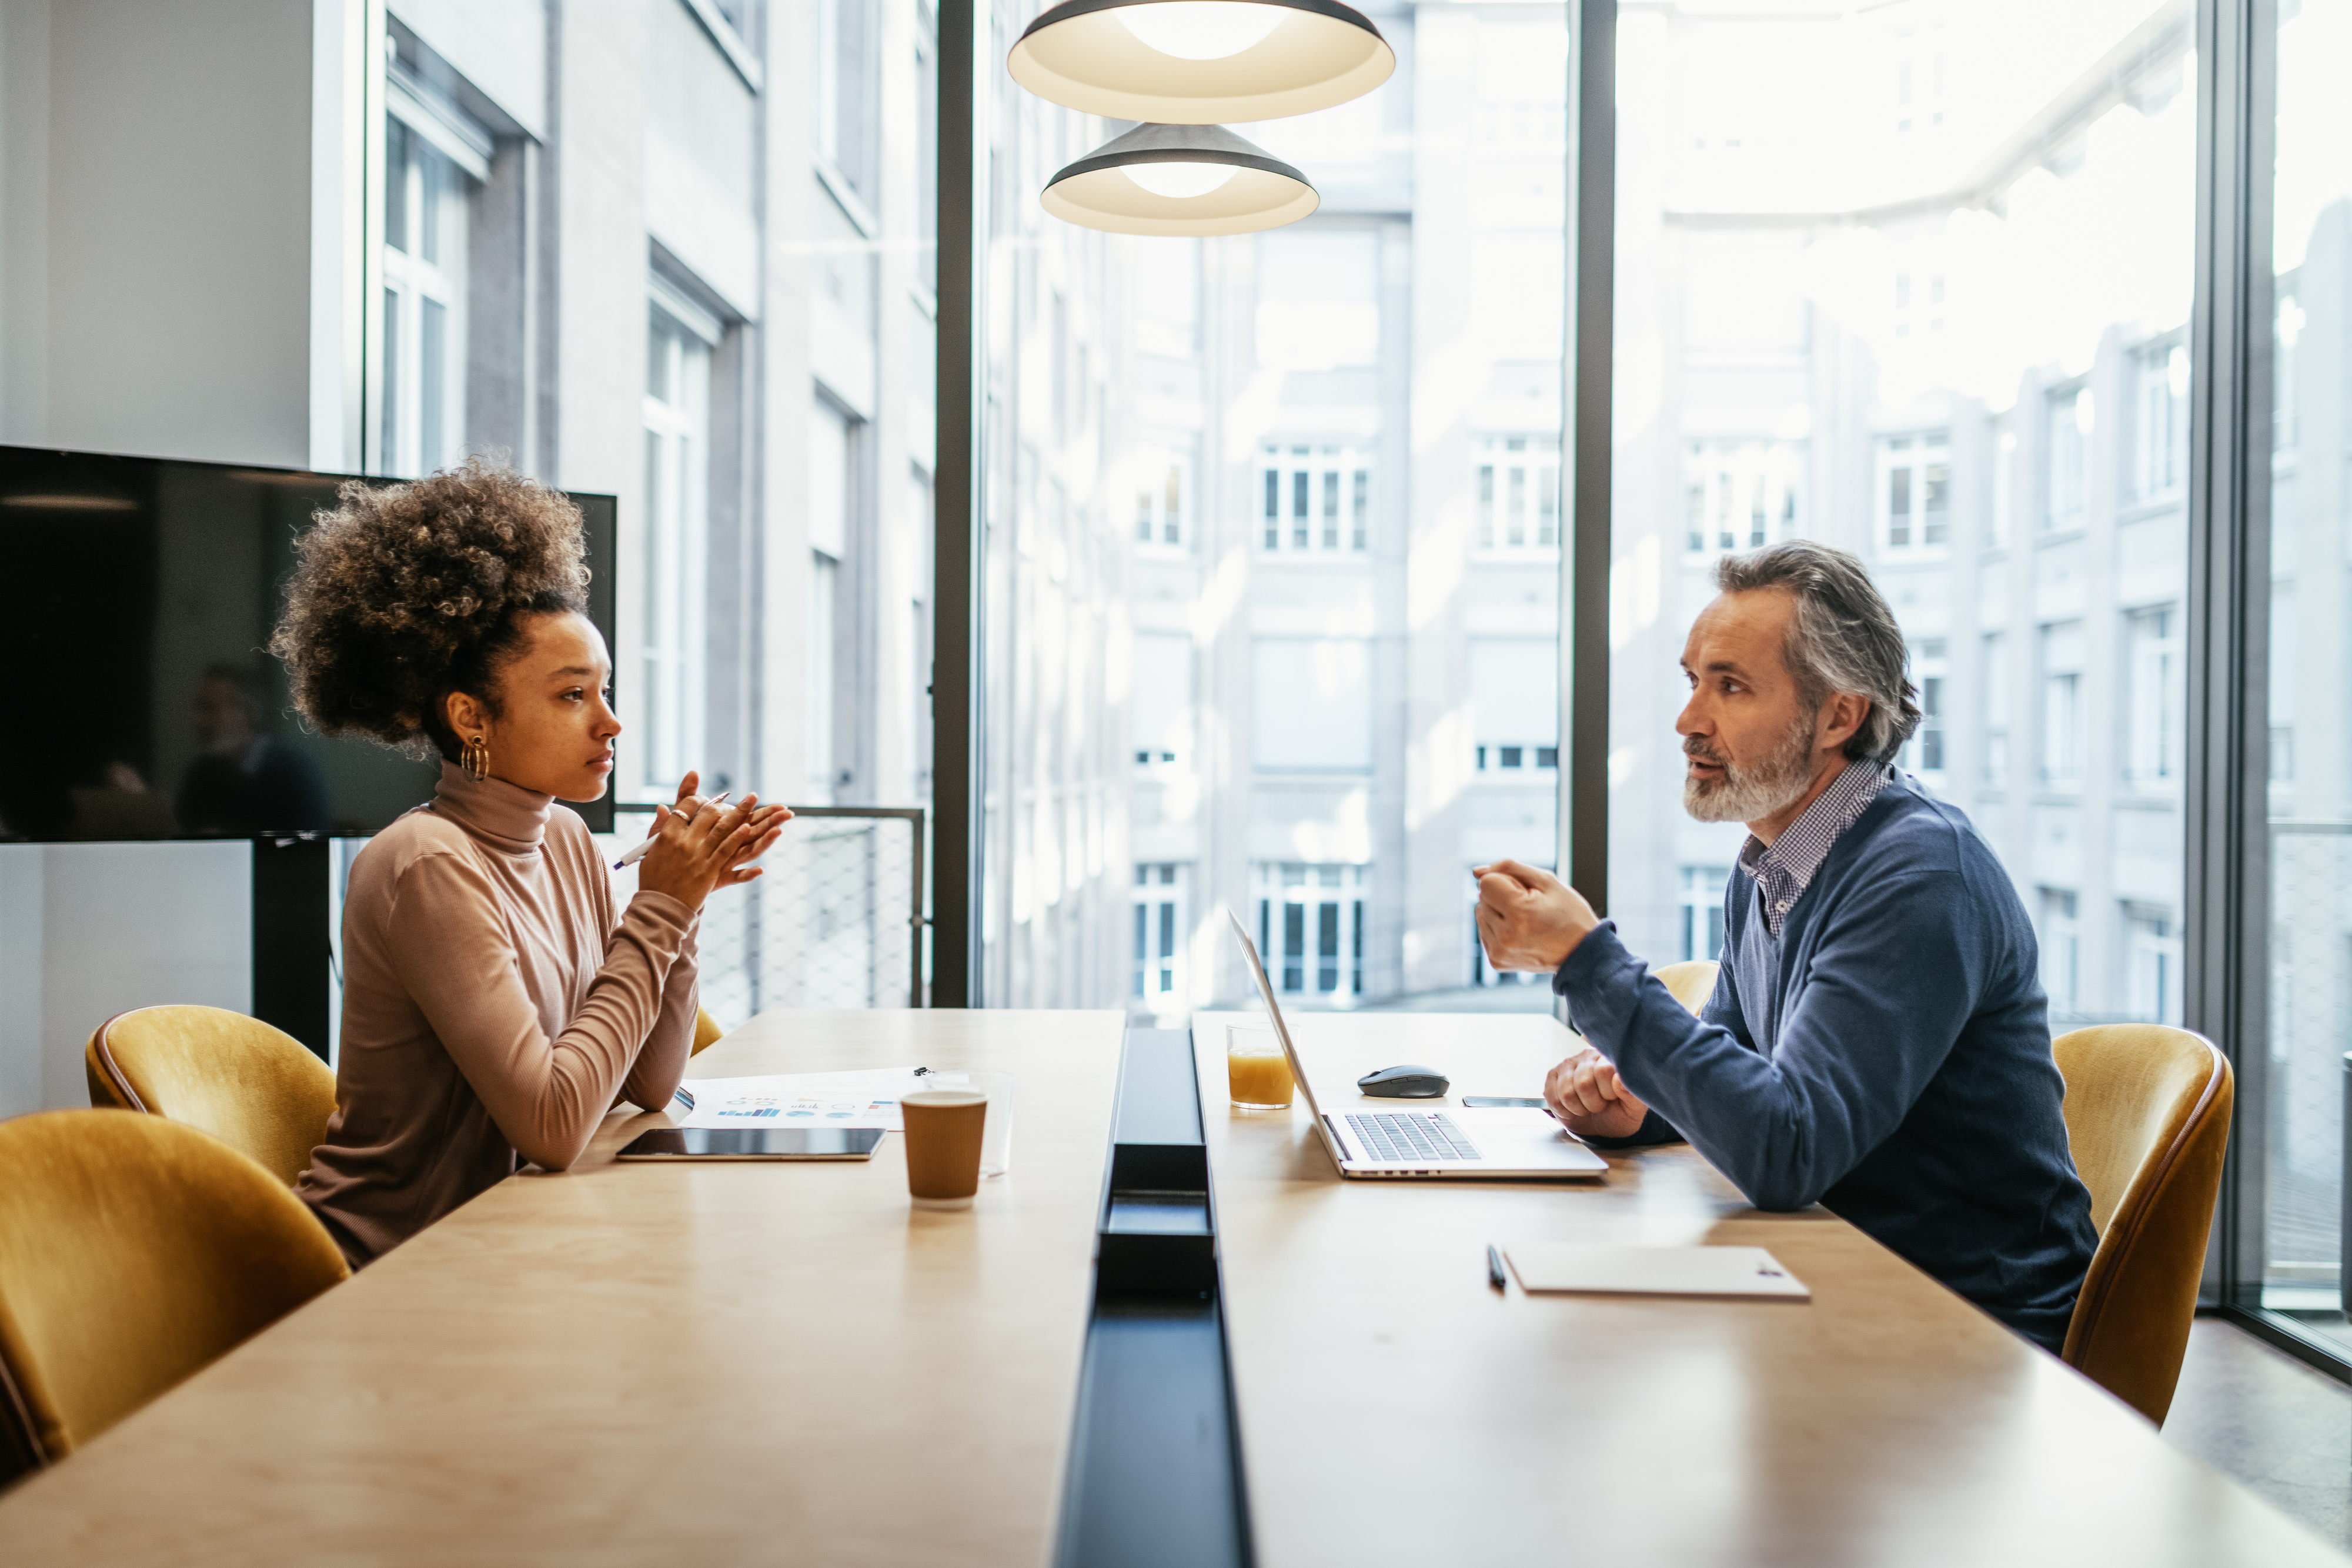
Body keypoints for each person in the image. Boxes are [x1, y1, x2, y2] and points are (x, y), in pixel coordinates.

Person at [1474, 541, 2096, 1352]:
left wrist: (1584, 957)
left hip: (1969, 1330)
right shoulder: (1773, 862)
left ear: (1840, 715)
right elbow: (1743, 1059)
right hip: (1837, 1275)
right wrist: (1644, 1105)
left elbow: (1788, 1149)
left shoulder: (1920, 872)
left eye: (1730, 686)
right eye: (1693, 679)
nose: (1689, 719)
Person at [270, 460, 787, 1266]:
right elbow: (552, 1125)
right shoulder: (424, 863)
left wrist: (680, 906)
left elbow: (649, 1085)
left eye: (605, 690)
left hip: (518, 1241)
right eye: (572, 694)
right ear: (471, 716)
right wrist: (657, 910)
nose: (610, 723)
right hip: (397, 1269)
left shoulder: (569, 842)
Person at [173, 661, 333, 834]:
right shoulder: (201, 772)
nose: (199, 721)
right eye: (198, 708)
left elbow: (312, 845)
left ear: (248, 711)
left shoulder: (294, 769)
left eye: (211, 708)